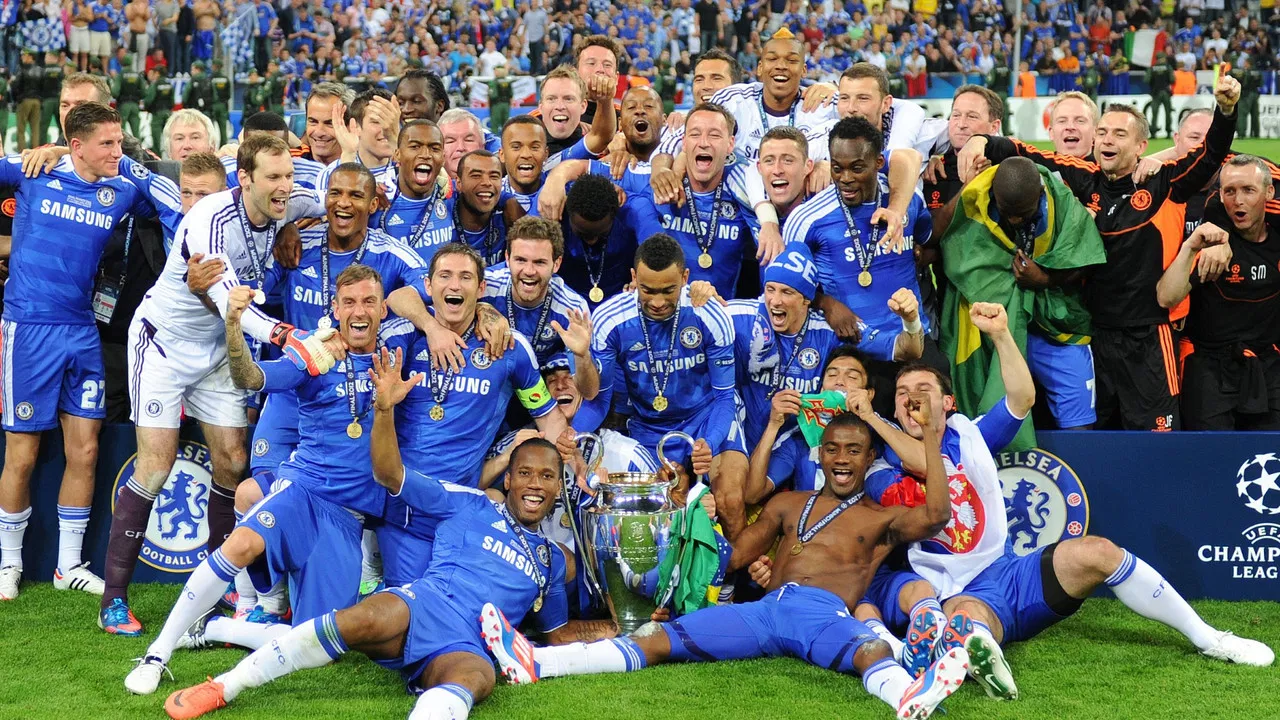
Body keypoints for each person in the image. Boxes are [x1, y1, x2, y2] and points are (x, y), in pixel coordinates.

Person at [866, 306, 1274, 701]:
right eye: (902, 394)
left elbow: (1022, 399)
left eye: (923, 391)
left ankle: (1210, 638)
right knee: (967, 616)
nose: (911, 400)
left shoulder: (970, 435)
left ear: (948, 403)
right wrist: (882, 421)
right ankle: (973, 649)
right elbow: (923, 463)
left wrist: (1002, 335)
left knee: (1098, 551)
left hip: (1011, 570)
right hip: (952, 587)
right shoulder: (883, 467)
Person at [161, 378, 614, 720]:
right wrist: (382, 409)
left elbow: (557, 633)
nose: (536, 485)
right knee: (356, 621)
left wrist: (617, 625)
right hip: (423, 605)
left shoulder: (550, 560)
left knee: (478, 679)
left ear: (559, 487)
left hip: (468, 643)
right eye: (526, 474)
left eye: (547, 477)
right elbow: (390, 474)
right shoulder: (470, 502)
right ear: (509, 479)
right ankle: (225, 686)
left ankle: (217, 628)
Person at [484, 407, 969, 720]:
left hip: (821, 610)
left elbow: (937, 515)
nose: (841, 458)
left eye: (854, 450)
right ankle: (539, 662)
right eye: (833, 448)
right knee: (656, 638)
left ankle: (906, 695)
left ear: (869, 458)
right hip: (766, 611)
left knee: (868, 652)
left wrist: (930, 436)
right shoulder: (789, 503)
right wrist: (694, 513)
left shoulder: (881, 517)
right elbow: (731, 557)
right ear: (820, 454)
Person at [127, 265, 416, 696]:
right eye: (350, 302)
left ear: (382, 309)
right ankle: (156, 654)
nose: (359, 311)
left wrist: (486, 317)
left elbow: (442, 308)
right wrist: (233, 325)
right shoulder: (313, 354)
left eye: (369, 302)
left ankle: (216, 627)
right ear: (335, 309)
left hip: (347, 519)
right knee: (241, 544)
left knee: (318, 644)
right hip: (303, 491)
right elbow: (250, 378)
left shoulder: (398, 348)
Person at [101, 134, 324, 636]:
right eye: (273, 177)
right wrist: (286, 335)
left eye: (289, 175)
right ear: (244, 179)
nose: (284, 186)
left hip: (220, 349)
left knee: (231, 461)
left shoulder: (286, 204)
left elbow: (328, 199)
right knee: (155, 467)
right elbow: (229, 303)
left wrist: (303, 220)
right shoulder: (208, 218)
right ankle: (113, 599)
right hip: (164, 344)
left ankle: (217, 586)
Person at [956, 76, 1241, 431]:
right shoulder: (1085, 178)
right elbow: (1027, 154)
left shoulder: (1163, 183)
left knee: (1157, 440)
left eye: (1119, 134)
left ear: (1141, 146)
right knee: (1101, 437)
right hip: (1096, 336)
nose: (1107, 140)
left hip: (1149, 338)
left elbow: (1210, 155)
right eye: (1103, 132)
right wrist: (982, 140)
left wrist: (1226, 111)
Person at [0, 102, 182, 603]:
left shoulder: (122, 187)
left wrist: (122, 164)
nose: (117, 151)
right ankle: (9, 562)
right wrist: (53, 150)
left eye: (120, 141)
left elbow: (177, 205)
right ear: (78, 145)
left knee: (86, 450)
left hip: (82, 330)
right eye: (107, 143)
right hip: (28, 328)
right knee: (22, 453)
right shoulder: (33, 170)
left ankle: (69, 565)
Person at [585, 234, 750, 537]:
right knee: (653, 518)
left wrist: (710, 442)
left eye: (668, 290)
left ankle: (734, 570)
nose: (658, 302)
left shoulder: (709, 312)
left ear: (685, 278)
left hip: (708, 417)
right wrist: (570, 435)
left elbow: (725, 397)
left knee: (729, 500)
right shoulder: (610, 319)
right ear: (634, 278)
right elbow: (600, 400)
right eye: (648, 290)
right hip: (649, 427)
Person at [933, 157, 1105, 435]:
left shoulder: (1062, 203)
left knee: (1079, 425)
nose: (1014, 219)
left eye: (1023, 213)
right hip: (996, 328)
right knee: (989, 415)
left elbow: (1086, 258)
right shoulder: (977, 198)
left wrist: (1045, 279)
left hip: (1056, 327)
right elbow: (938, 238)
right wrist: (965, 188)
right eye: (1007, 212)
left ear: (1039, 193)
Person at [726, 244, 922, 466]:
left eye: (787, 292)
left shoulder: (831, 330)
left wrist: (911, 319)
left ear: (806, 300)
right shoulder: (739, 316)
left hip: (801, 447)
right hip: (742, 437)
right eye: (770, 289)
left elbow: (907, 350)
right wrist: (701, 295)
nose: (775, 300)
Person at [784, 116, 933, 361]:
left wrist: (916, 252)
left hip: (914, 339)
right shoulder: (807, 218)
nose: (845, 178)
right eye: (837, 168)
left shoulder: (908, 199)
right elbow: (786, 286)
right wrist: (826, 304)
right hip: (851, 348)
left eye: (857, 168)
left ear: (879, 163)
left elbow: (928, 243)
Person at [1157, 156, 1280, 430]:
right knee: (1211, 450)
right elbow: (1166, 297)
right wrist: (1190, 249)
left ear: (1269, 192)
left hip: (1267, 363)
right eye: (1230, 191)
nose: (1238, 201)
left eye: (1249, 190)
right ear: (1220, 195)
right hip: (1209, 365)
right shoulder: (1211, 244)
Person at [653, 103, 761, 299]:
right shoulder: (657, 184)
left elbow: (771, 252)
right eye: (695, 134)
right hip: (662, 309)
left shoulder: (744, 191)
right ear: (684, 143)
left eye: (714, 135)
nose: (703, 143)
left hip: (721, 311)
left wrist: (770, 226)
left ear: (730, 144)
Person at [481, 216, 590, 368]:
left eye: (539, 262)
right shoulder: (484, 285)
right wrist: (481, 307)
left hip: (541, 378)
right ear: (507, 258)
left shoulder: (572, 309)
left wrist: (582, 356)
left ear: (556, 264)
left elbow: (588, 384)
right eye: (520, 260)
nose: (529, 271)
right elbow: (447, 304)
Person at [374, 119, 453, 263]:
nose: (425, 154)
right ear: (397, 155)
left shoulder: (452, 196)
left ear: (443, 158)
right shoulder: (378, 200)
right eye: (415, 147)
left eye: (434, 148)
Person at [1145, 51, 1174, 138]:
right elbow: (1172, 79)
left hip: (1156, 92)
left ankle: (1153, 133)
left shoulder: (1152, 68)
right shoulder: (1168, 67)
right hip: (1165, 92)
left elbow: (1146, 80)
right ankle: (1168, 132)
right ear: (1163, 58)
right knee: (1168, 112)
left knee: (1154, 113)